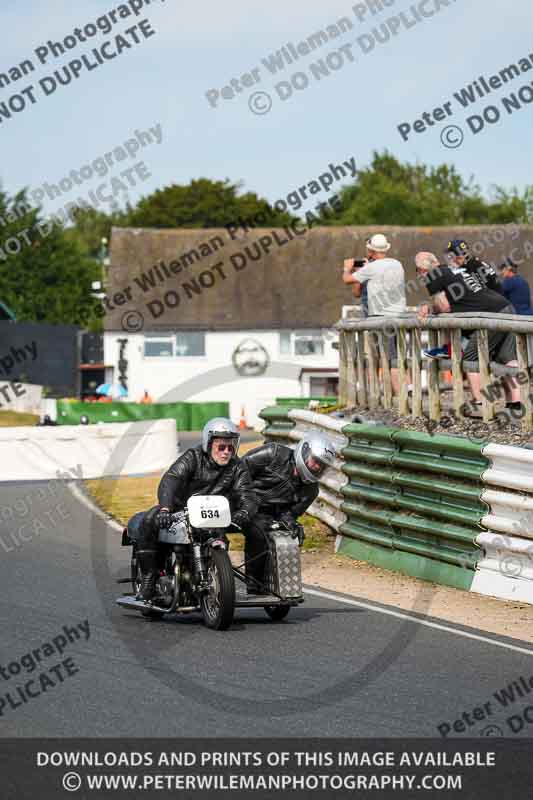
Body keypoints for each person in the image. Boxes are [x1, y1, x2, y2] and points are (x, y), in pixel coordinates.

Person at [134, 417, 257, 602]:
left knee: (250, 530)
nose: (226, 452)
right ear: (209, 444)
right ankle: (149, 579)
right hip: (181, 508)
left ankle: (212, 577)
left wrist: (244, 513)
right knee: (150, 519)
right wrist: (166, 509)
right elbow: (171, 479)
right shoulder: (193, 457)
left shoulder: (237, 466)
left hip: (215, 514)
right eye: (221, 447)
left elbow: (247, 494)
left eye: (230, 447)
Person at [415, 252, 520, 410]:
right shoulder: (455, 268)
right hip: (506, 306)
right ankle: (515, 403)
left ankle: (478, 403)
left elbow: (444, 307)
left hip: (490, 315)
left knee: (471, 357)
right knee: (506, 357)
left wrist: (429, 307)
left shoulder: (432, 276)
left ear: (421, 270)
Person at [241, 433, 336, 593]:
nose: (317, 468)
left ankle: (258, 583)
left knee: (269, 533)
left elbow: (291, 513)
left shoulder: (311, 490)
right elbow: (238, 470)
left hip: (265, 515)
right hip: (239, 501)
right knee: (212, 531)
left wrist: (290, 521)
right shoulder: (272, 453)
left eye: (322, 466)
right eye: (316, 461)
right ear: (304, 451)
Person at [342, 233, 407, 394]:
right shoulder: (397, 264)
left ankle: (395, 396)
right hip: (399, 316)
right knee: (396, 357)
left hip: (378, 317)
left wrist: (348, 268)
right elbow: (358, 291)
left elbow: (347, 279)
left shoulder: (370, 268)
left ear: (371, 251)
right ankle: (403, 393)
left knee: (383, 357)